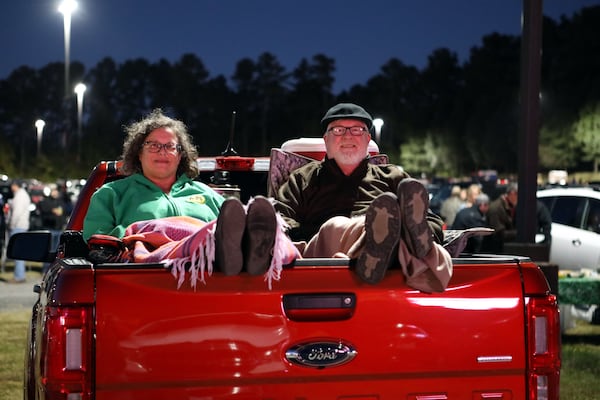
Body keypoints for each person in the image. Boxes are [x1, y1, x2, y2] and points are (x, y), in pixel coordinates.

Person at [83, 109, 287, 287]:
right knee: (208, 236)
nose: (162, 152)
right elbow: (98, 242)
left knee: (240, 225)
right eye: (153, 145)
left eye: (170, 146)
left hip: (213, 274)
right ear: (138, 152)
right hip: (149, 270)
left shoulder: (207, 194)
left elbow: (231, 229)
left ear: (180, 155)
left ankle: (271, 249)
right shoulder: (111, 194)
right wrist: (151, 232)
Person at [274, 103, 453, 293]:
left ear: (368, 139)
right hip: (324, 252)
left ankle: (390, 245)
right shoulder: (303, 179)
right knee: (337, 225)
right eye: (338, 129)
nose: (348, 135)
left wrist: (421, 233)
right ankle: (385, 239)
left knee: (420, 238)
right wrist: (309, 234)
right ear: (326, 139)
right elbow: (281, 220)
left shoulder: (392, 177)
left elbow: (430, 220)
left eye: (357, 130)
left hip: (389, 253)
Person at [7, 179, 31, 283]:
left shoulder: (20, 196)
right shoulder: (22, 195)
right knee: (19, 251)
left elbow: (17, 212)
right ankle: (19, 274)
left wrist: (11, 224)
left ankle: (19, 276)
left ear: (15, 185)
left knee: (17, 252)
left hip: (18, 225)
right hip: (22, 225)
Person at [483, 183, 518, 253]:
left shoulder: (511, 206)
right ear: (512, 194)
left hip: (504, 249)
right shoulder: (496, 208)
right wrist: (519, 233)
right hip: (493, 251)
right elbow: (499, 233)